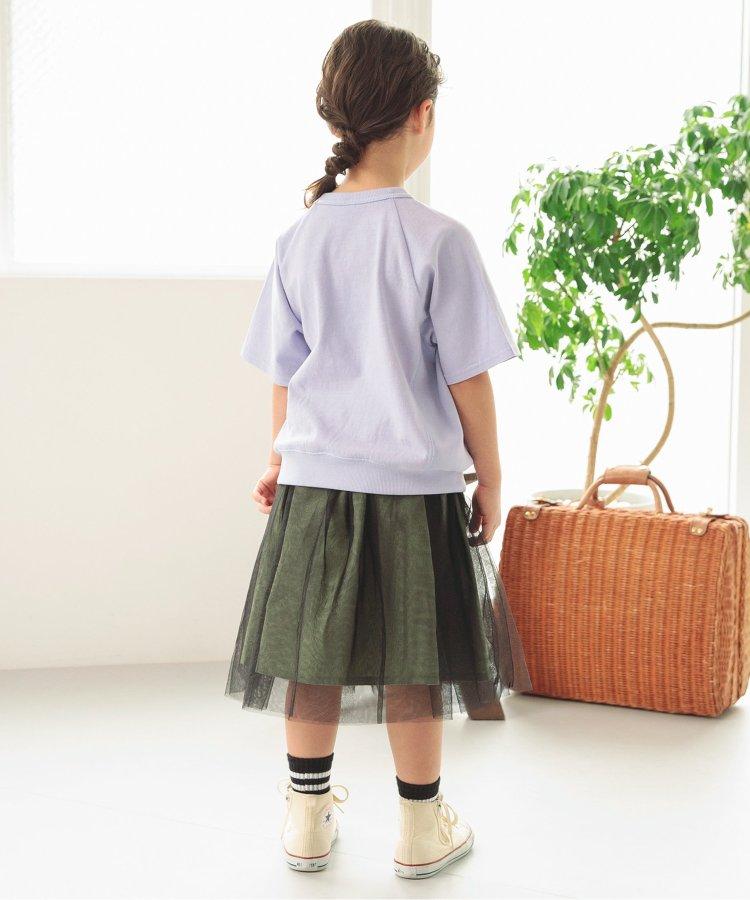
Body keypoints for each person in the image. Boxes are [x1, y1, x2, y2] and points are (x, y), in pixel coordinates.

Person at [225, 18, 530, 880]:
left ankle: (307, 822)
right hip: (415, 489)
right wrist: (492, 478)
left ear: (337, 117)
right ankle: (421, 830)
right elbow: (470, 379)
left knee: (310, 658)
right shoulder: (439, 239)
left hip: (315, 487)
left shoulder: (299, 238)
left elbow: (285, 374)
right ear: (422, 115)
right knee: (415, 662)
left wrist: (279, 460)